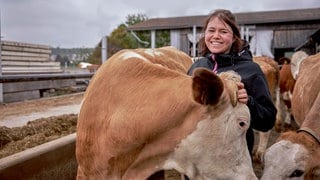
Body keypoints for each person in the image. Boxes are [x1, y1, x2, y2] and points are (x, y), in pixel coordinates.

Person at [187, 9, 277, 155]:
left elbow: (268, 120)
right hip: (198, 154)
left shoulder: (251, 70)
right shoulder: (197, 67)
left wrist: (249, 102)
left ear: (234, 37)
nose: (216, 36)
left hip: (233, 157)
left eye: (223, 31)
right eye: (211, 30)